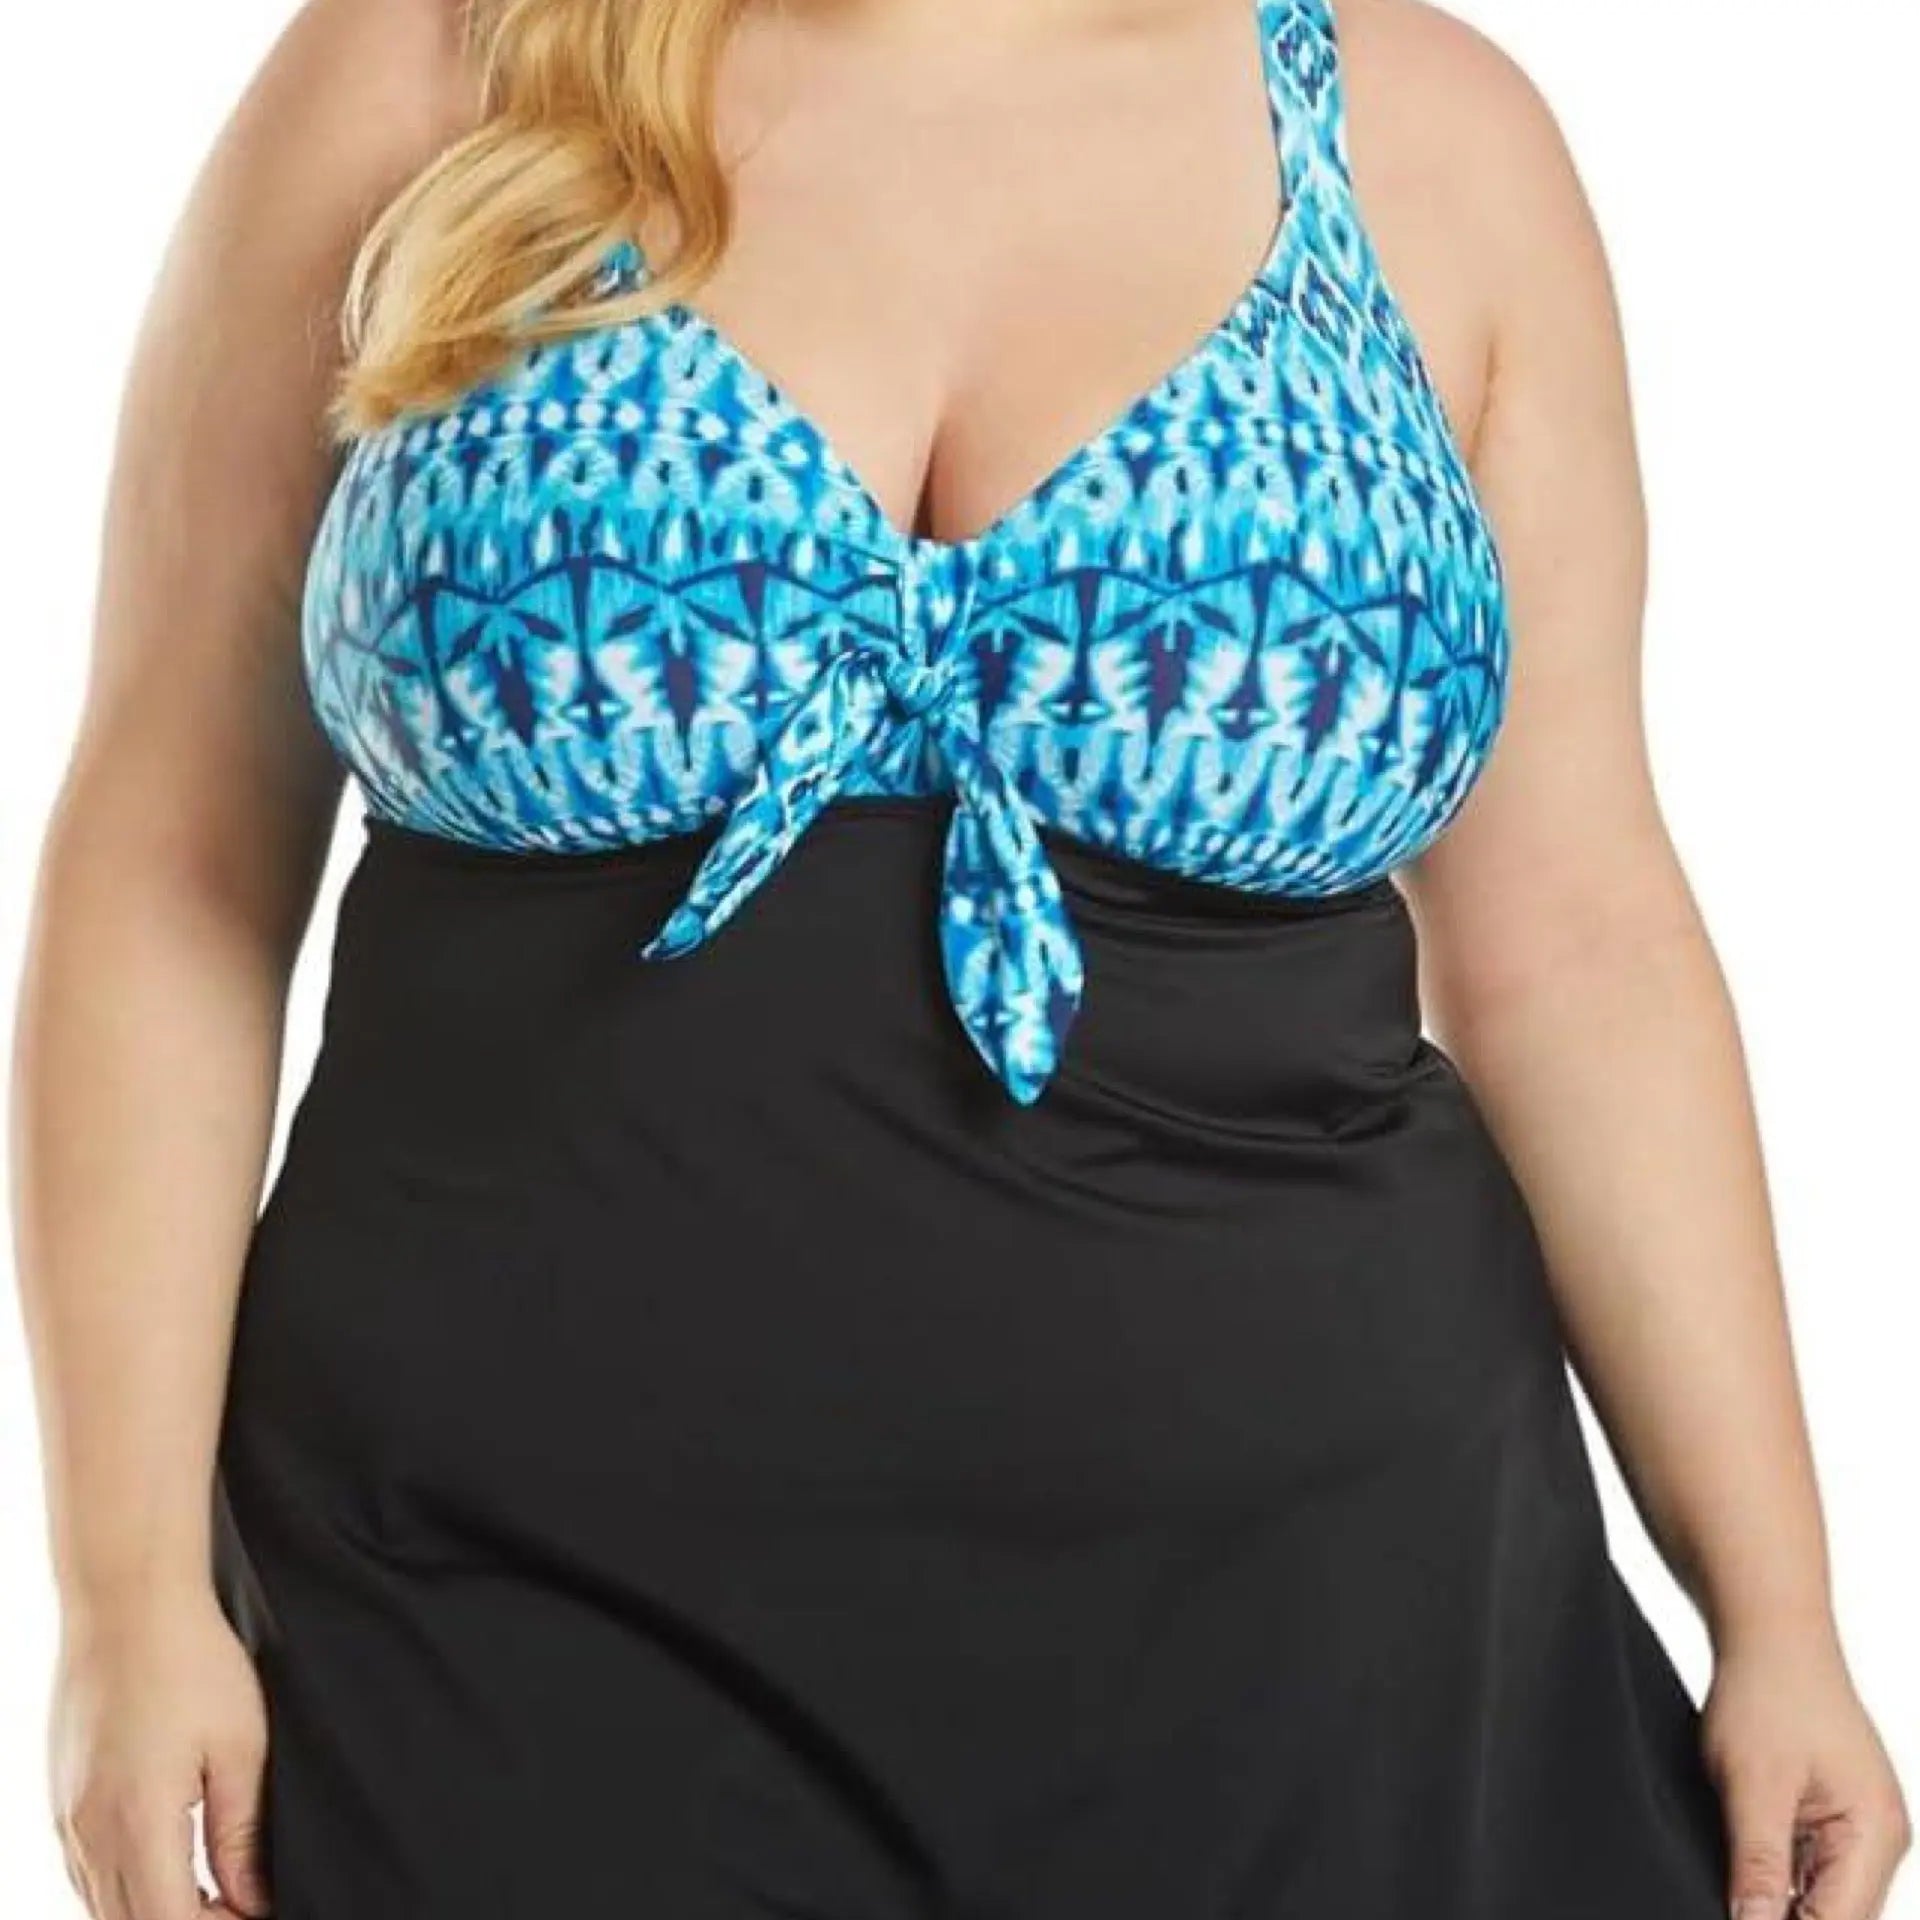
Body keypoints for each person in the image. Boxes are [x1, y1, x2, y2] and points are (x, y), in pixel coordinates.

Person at [10, 0, 1908, 1915]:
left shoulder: (1430, 135)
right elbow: (172, 865)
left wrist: (1779, 1609)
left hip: (1338, 1617)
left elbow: (1574, 936)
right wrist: (123, 1593)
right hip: (479, 1606)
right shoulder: (434, 68)